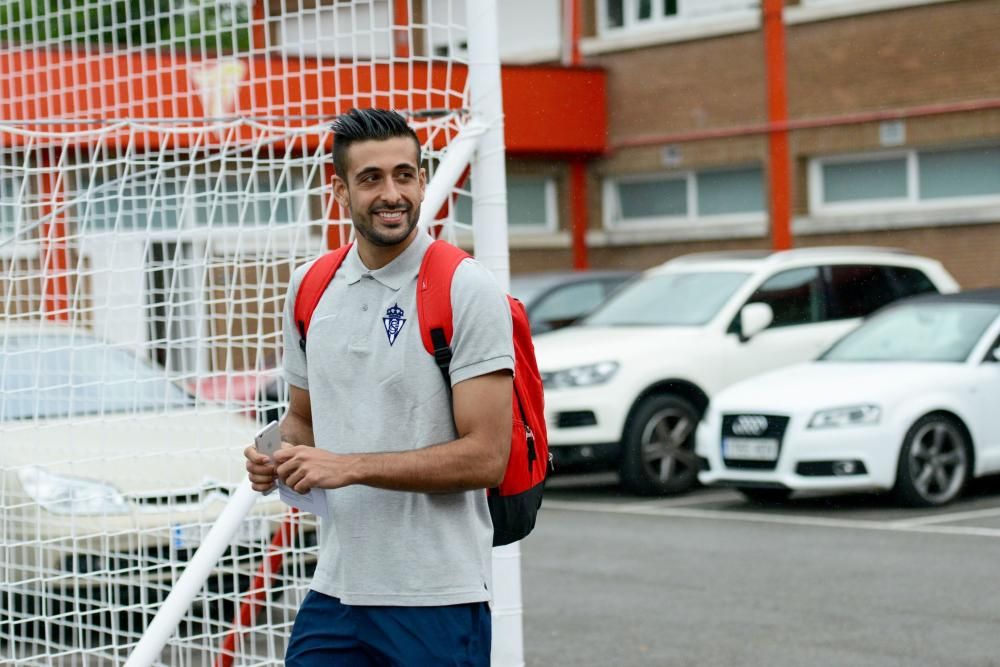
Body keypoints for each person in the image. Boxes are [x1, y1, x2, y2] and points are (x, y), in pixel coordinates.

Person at [243, 107, 514, 666]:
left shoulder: (465, 288)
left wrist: (352, 466)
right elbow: (302, 417)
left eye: (404, 174)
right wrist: (272, 454)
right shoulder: (311, 285)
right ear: (339, 191)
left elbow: (487, 457)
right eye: (371, 179)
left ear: (420, 177)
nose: (392, 193)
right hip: (336, 590)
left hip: (435, 596)